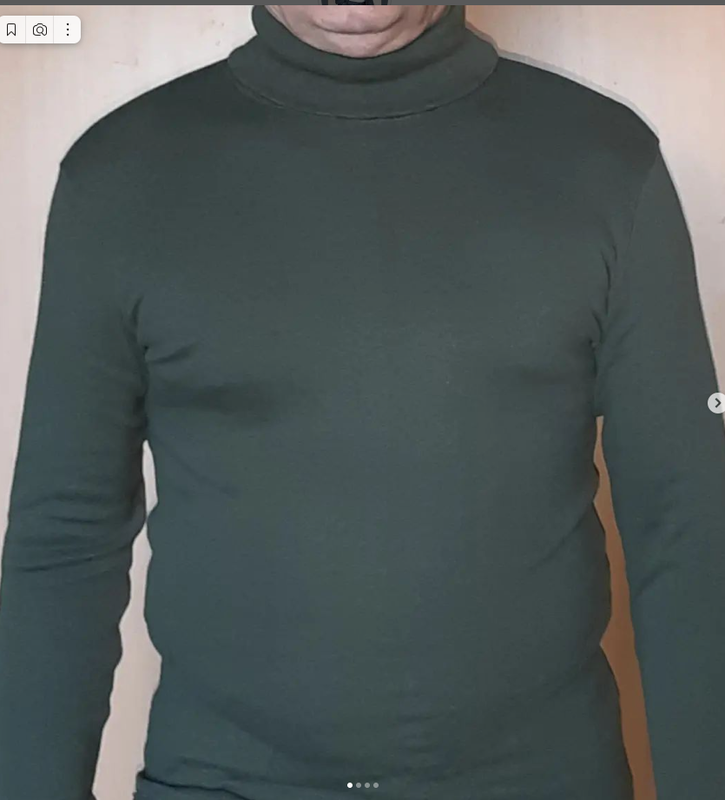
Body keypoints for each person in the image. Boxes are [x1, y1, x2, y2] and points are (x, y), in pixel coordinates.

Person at [0, 5, 723, 800]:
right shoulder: (118, 176)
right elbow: (65, 536)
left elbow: (688, 527)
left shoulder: (607, 161)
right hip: (221, 779)